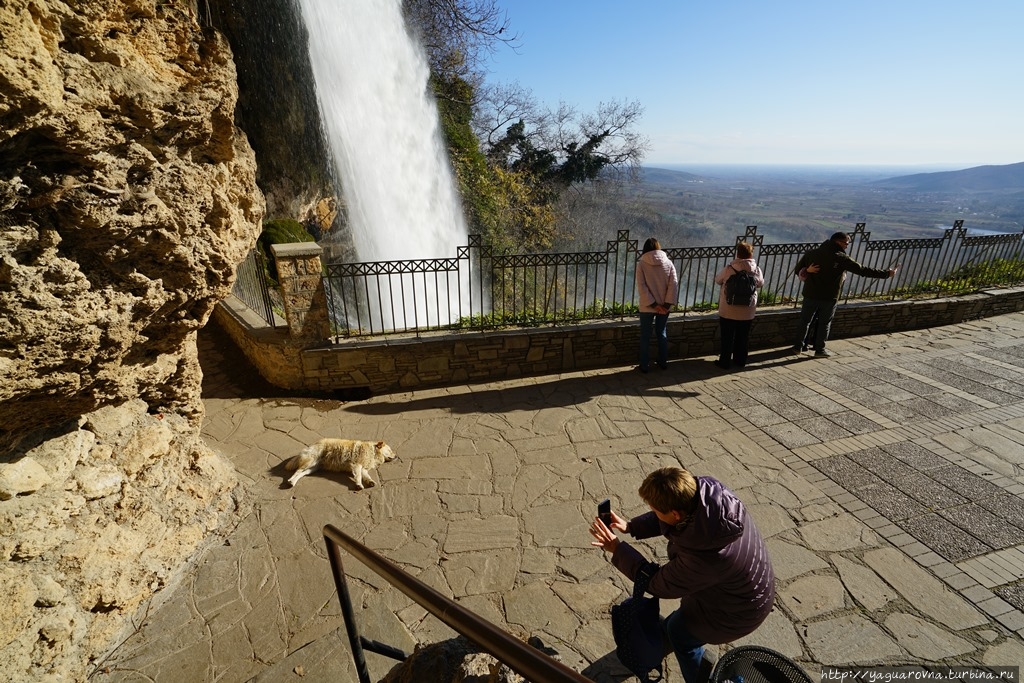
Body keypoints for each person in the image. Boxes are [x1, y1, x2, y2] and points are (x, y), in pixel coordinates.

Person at [590, 467, 775, 683]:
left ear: (675, 514)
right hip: (752, 585)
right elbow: (673, 518)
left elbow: (656, 583)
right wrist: (631, 526)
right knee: (676, 623)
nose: (654, 513)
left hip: (736, 613)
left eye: (655, 510)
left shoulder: (706, 557)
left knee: (679, 633)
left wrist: (617, 549)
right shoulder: (711, 499)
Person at [793, 232, 897, 357]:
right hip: (829, 296)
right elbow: (862, 270)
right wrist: (886, 274)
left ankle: (798, 347)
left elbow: (797, 271)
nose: (847, 246)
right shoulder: (840, 258)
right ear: (838, 242)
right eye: (846, 243)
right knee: (824, 323)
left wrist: (807, 271)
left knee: (805, 321)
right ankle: (820, 350)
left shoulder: (811, 253)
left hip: (810, 294)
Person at [712, 242, 764, 369]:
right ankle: (740, 360)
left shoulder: (730, 268)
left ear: (738, 254)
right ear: (751, 254)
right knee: (743, 337)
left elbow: (718, 280)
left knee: (727, 337)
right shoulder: (756, 269)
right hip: (747, 310)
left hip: (728, 309)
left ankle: (725, 362)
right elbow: (760, 283)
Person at [635, 238, 679, 372]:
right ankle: (663, 361)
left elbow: (642, 287)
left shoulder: (642, 264)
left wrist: (653, 305)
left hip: (647, 307)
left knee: (645, 335)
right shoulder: (669, 263)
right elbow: (674, 284)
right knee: (662, 333)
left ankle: (644, 365)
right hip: (664, 307)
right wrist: (665, 305)